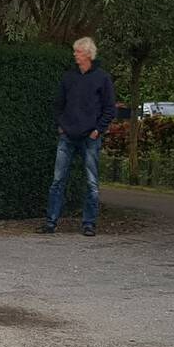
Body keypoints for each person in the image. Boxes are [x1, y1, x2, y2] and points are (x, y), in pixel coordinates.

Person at [37, 36, 116, 236]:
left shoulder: (102, 78)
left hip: (90, 136)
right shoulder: (69, 78)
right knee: (58, 180)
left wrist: (98, 129)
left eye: (78, 52)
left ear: (88, 54)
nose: (75, 54)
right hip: (68, 135)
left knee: (91, 181)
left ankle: (89, 223)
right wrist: (61, 125)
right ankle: (51, 221)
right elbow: (58, 104)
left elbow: (109, 108)